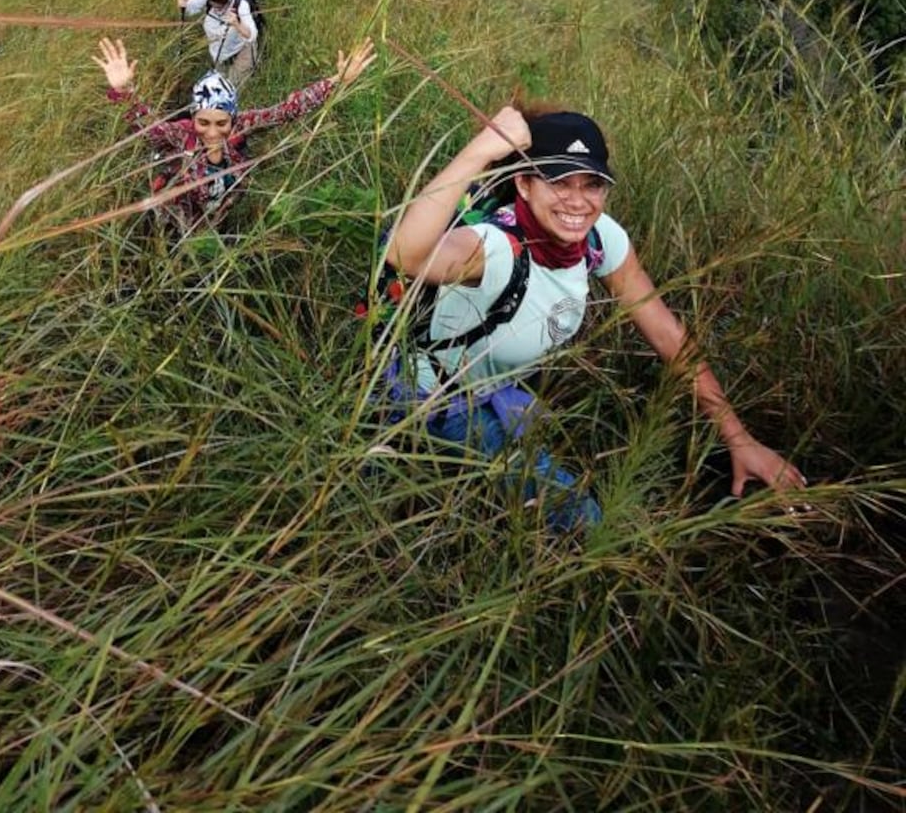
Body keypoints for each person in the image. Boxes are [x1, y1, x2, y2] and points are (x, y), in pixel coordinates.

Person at [383, 103, 807, 528]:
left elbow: (667, 335)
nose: (578, 201)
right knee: (588, 523)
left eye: (593, 185)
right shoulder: (494, 248)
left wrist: (739, 438)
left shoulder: (599, 239)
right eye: (560, 182)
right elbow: (405, 253)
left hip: (493, 388)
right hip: (432, 402)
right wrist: (479, 151)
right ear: (524, 185)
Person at [93, 36, 377, 234]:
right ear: (193, 117)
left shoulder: (245, 123)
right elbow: (148, 129)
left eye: (222, 123)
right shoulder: (182, 134)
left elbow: (288, 110)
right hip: (181, 215)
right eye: (204, 123)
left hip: (222, 210)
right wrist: (125, 93)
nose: (213, 133)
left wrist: (336, 81)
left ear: (233, 117)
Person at [178, 0, 259, 87]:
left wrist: (237, 24)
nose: (215, 10)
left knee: (231, 87)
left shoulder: (241, 5)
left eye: (219, 7)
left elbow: (251, 35)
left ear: (228, 0)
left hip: (242, 50)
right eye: (212, 6)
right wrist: (183, 3)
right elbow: (190, 7)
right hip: (219, 54)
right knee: (219, 85)